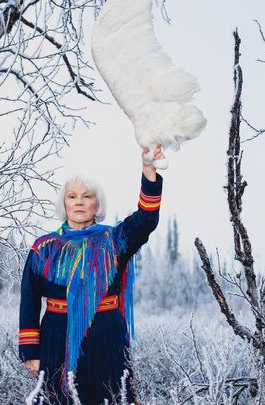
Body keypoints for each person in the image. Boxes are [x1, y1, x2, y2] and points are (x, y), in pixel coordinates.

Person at [18, 145, 164, 405]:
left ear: (97, 203)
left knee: (112, 396)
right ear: (64, 203)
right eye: (72, 196)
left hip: (107, 334)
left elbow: (146, 220)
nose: (79, 202)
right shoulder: (44, 248)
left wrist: (148, 171)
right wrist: (30, 351)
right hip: (57, 337)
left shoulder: (114, 240)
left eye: (87, 196)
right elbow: (29, 300)